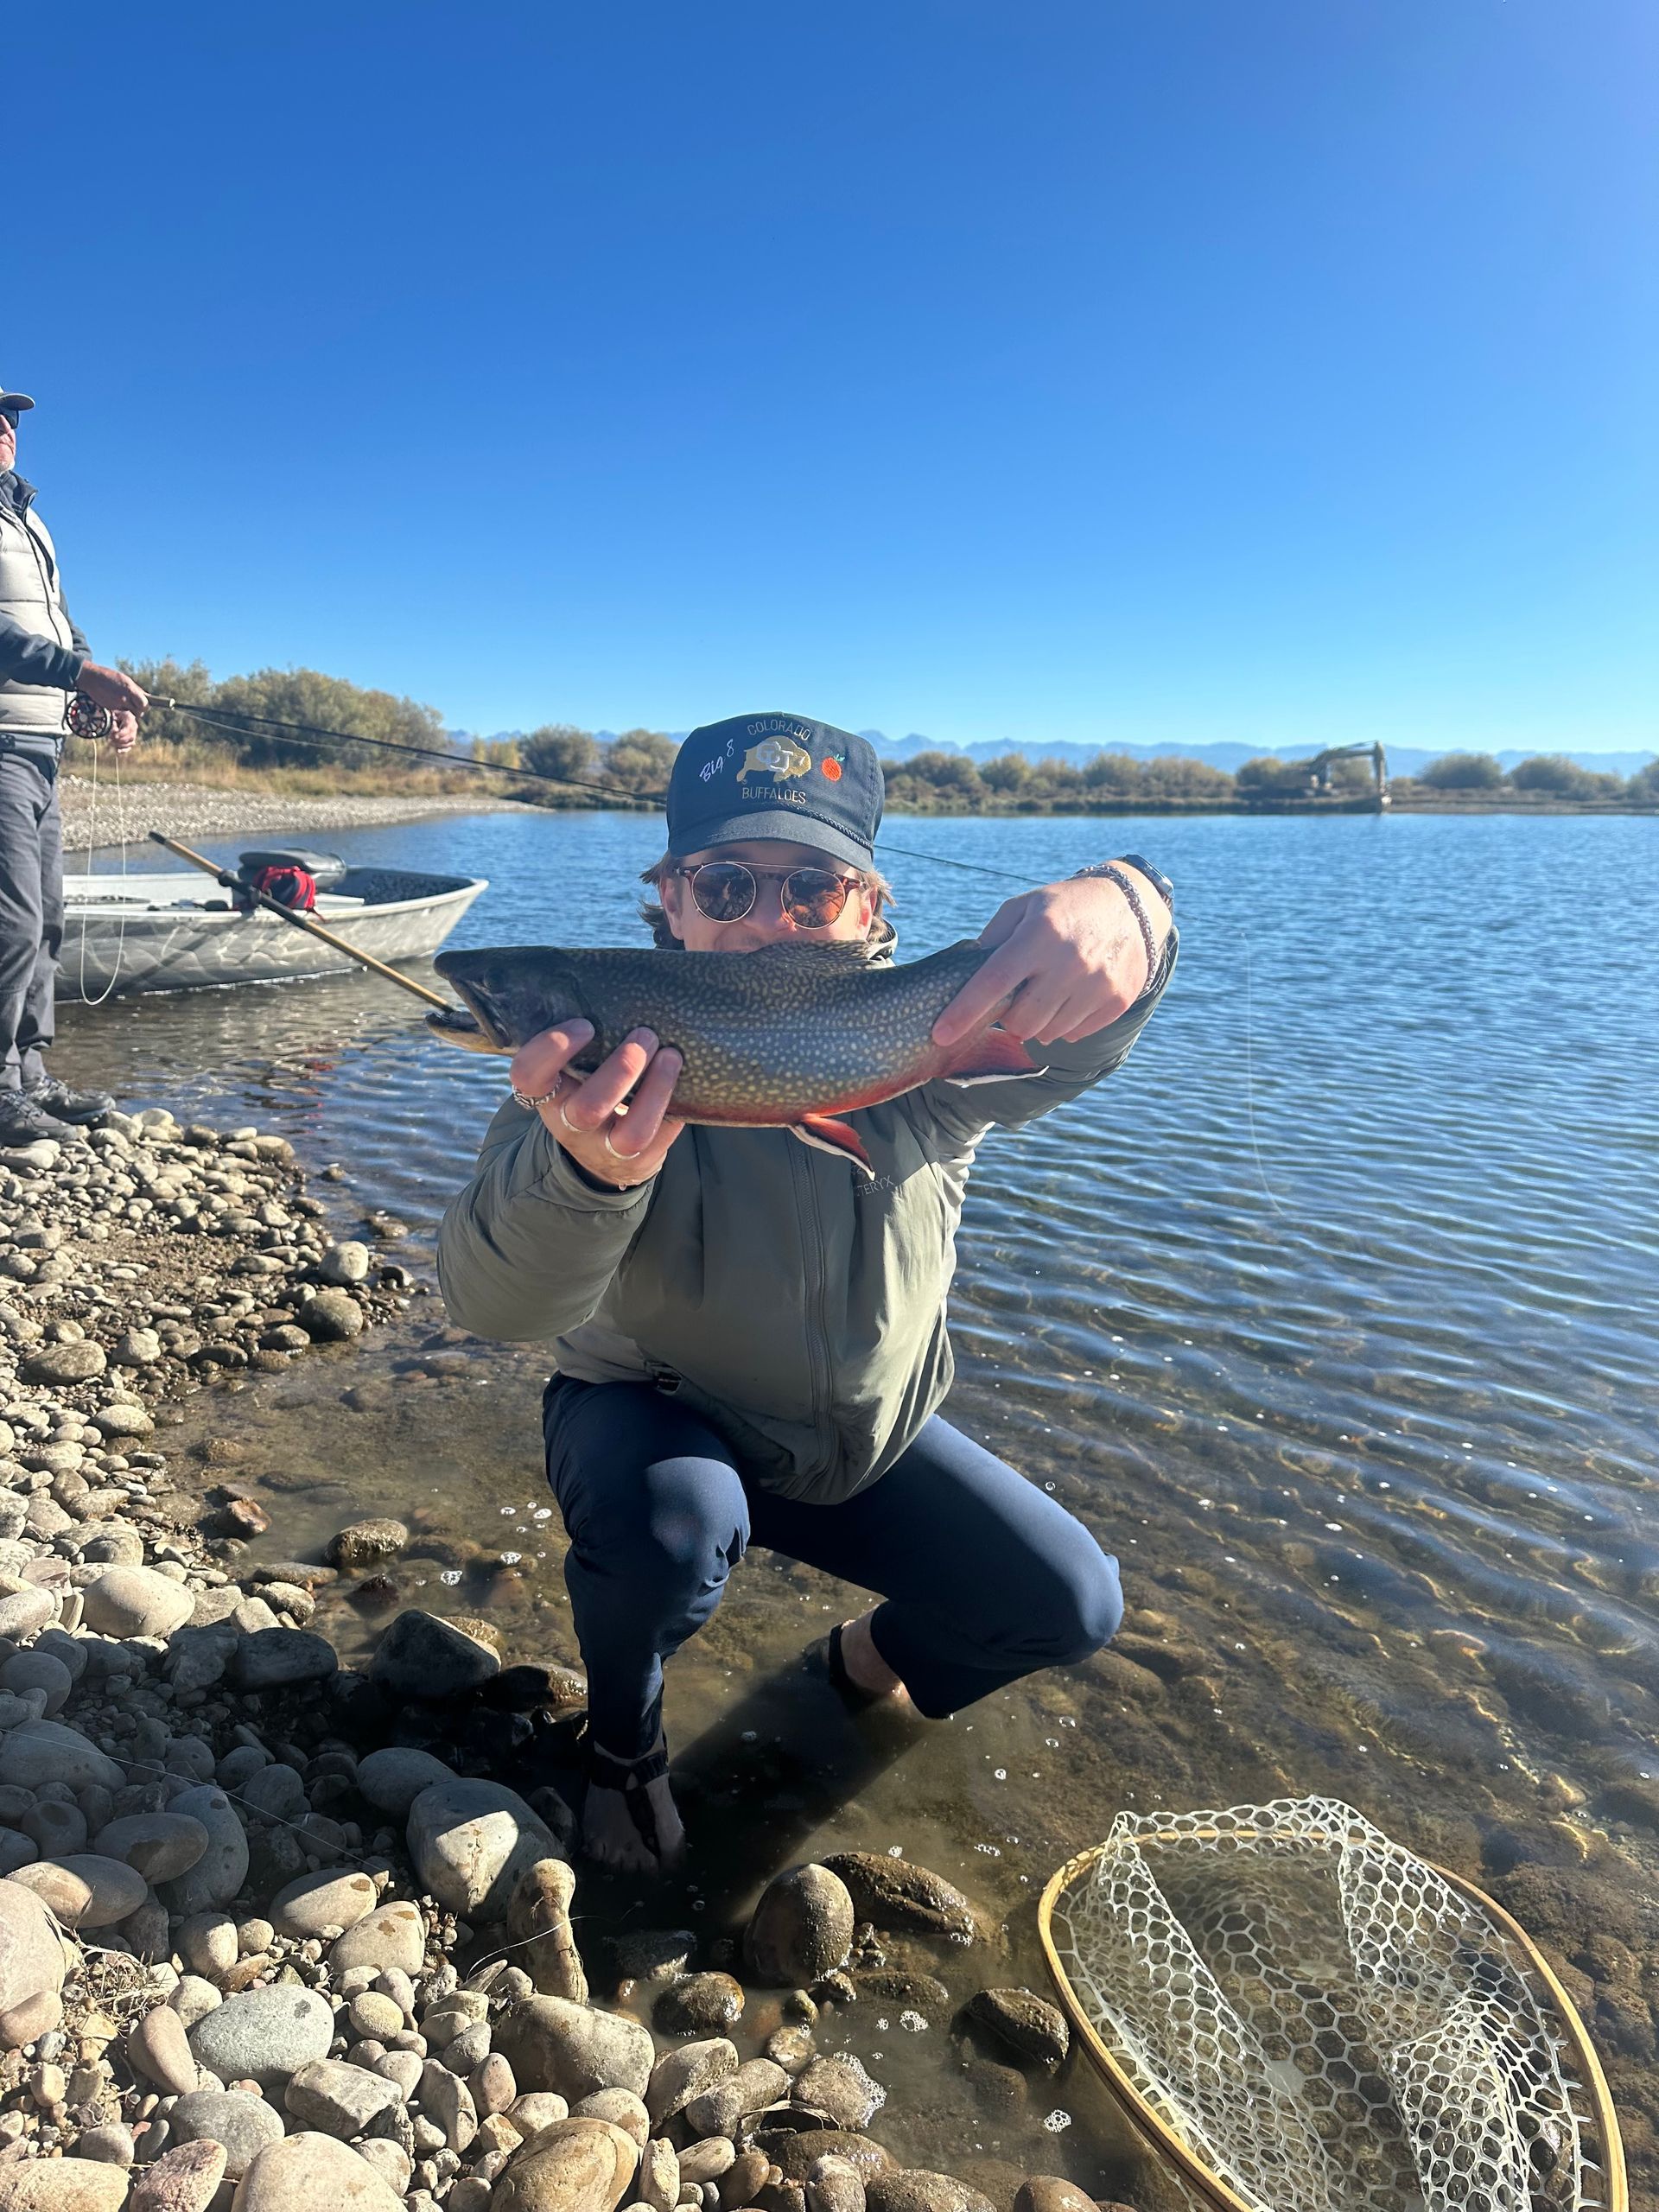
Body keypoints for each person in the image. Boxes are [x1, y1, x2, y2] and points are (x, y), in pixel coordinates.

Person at [438, 712, 1177, 1873]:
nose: (764, 918)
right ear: (669, 899)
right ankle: (623, 1743)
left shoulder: (930, 1043)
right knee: (672, 1534)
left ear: (870, 908)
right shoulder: (570, 1077)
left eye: (812, 888)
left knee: (1069, 1604)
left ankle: (851, 1668)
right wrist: (589, 1170)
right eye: (724, 884)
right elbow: (496, 1305)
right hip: (654, 1425)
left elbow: (1091, 1028)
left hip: (851, 1444)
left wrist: (1133, 904)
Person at [0, 377, 149, 1144]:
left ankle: (28, 1075)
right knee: (12, 920)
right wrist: (75, 675)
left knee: (48, 921)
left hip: (41, 749)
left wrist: (97, 698)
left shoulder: (33, 525)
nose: (1, 426)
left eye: (9, 417)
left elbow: (61, 631)